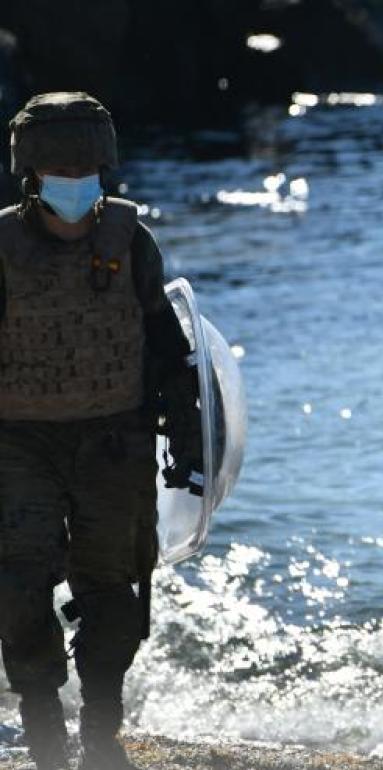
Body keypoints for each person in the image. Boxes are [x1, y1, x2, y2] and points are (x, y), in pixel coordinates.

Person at [0, 92, 200, 770]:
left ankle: (102, 729)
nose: (77, 180)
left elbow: (168, 348)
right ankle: (43, 726)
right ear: (30, 173)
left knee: (112, 590)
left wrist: (189, 436)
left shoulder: (129, 241)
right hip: (17, 443)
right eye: (62, 166)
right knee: (20, 585)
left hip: (115, 439)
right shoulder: (0, 247)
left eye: (87, 165)